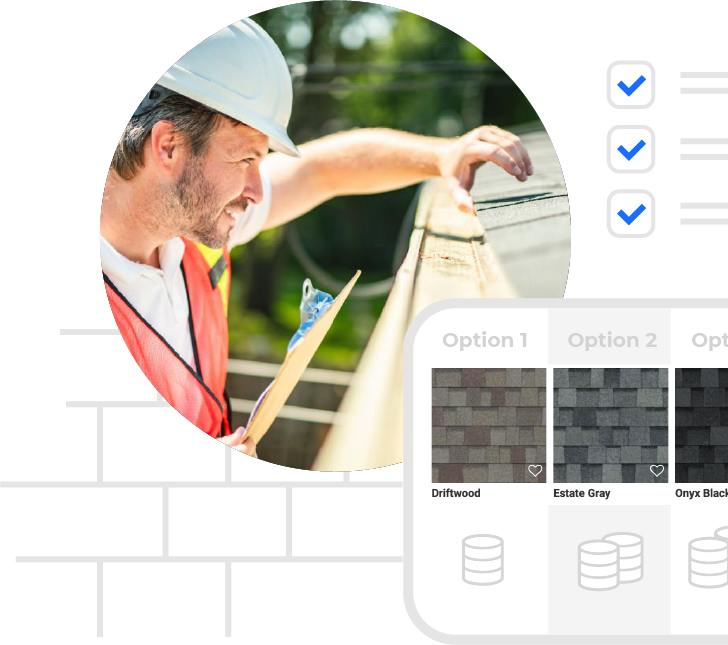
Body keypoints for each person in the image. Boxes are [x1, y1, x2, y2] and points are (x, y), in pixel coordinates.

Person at [100, 18, 533, 458]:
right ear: (169, 146)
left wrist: (443, 156)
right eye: (246, 158)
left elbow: (323, 169)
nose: (257, 187)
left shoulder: (192, 225)